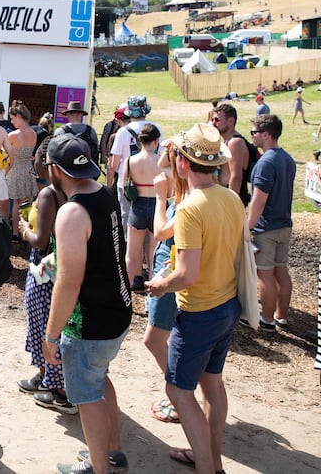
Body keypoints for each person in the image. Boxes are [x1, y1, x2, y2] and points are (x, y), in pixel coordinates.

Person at [146, 123, 243, 474]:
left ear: (184, 164)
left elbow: (187, 274)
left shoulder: (189, 209)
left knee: (178, 392)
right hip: (227, 305)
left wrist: (159, 285)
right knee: (212, 386)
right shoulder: (231, 197)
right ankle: (211, 460)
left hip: (200, 310)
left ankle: (207, 466)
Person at [42, 133, 132, 474]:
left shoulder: (71, 212)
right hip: (117, 311)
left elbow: (69, 282)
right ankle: (112, 452)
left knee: (87, 396)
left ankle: (99, 469)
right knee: (100, 379)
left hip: (90, 322)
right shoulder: (105, 196)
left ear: (55, 169)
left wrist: (51, 335)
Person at [16, 136, 77, 416]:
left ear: (47, 164)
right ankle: (47, 378)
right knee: (48, 325)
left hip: (45, 268)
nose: (34, 167)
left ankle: (61, 391)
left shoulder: (48, 194)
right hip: (61, 265)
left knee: (44, 324)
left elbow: (40, 240)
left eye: (37, 162)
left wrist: (23, 229)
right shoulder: (73, 192)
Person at [145, 142, 188, 425]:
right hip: (168, 274)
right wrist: (172, 146)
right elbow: (161, 164)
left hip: (170, 279)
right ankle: (178, 394)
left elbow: (160, 232)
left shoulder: (184, 202)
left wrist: (160, 199)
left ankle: (178, 398)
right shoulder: (185, 194)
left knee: (154, 341)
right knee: (167, 340)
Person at [248, 114, 296, 331]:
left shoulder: (266, 162)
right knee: (281, 272)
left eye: (254, 132)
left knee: (265, 274)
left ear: (266, 134)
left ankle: (266, 320)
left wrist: (248, 227)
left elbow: (258, 201)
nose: (252, 137)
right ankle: (281, 316)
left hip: (266, 228)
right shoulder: (287, 158)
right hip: (285, 225)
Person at [107, 95, 159, 234]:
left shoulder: (123, 132)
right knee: (152, 224)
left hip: (128, 183)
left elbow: (114, 163)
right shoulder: (156, 128)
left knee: (127, 220)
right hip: (152, 181)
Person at [125, 124, 162, 292]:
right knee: (155, 249)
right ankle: (154, 281)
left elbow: (125, 184)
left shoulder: (131, 160)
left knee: (133, 250)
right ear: (156, 140)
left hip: (138, 203)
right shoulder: (161, 160)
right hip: (157, 203)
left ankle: (135, 280)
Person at [211, 103, 254, 206]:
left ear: (230, 121)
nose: (213, 123)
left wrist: (229, 204)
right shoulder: (227, 141)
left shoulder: (235, 143)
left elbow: (236, 177)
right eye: (213, 119)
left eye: (217, 120)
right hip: (225, 195)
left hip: (233, 199)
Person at [6, 102, 38, 239]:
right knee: (28, 203)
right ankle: (28, 231)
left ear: (19, 116)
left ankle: (14, 232)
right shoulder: (34, 133)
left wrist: (5, 173)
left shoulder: (12, 135)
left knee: (15, 204)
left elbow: (9, 157)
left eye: (13, 118)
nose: (12, 121)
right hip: (28, 170)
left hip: (16, 170)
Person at [55, 100, 100, 165]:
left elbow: (54, 152)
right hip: (87, 166)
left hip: (66, 168)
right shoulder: (91, 131)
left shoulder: (60, 131)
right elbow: (96, 149)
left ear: (67, 114)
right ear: (81, 114)